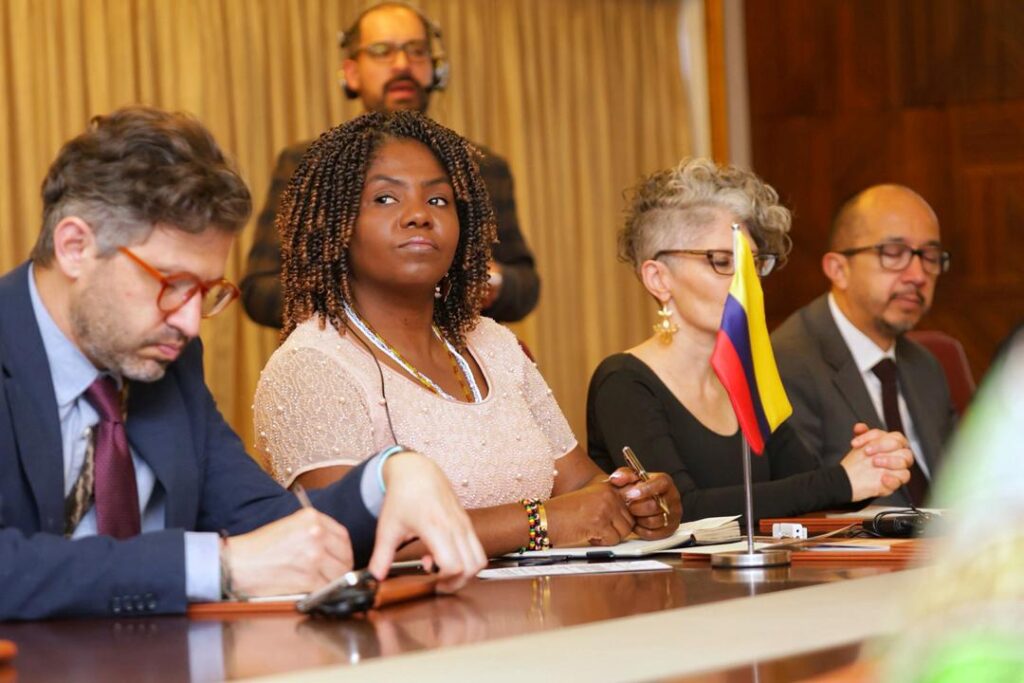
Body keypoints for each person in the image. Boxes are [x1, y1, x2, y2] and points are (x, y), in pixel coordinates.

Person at [0, 106, 484, 621]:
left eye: (206, 291)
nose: (190, 323)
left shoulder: (168, 359)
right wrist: (218, 566)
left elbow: (267, 522)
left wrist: (390, 476)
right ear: (75, 247)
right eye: (172, 284)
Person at [254, 110, 681, 556]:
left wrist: (631, 500)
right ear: (334, 226)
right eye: (385, 198)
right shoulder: (311, 366)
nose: (418, 215)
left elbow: (580, 483)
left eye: (439, 200)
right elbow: (345, 538)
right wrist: (540, 522)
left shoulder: (494, 344)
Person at [587, 159, 914, 523]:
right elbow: (680, 510)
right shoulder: (623, 382)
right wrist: (842, 481)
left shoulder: (745, 375)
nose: (749, 283)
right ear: (658, 279)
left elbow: (807, 488)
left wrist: (870, 469)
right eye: (721, 261)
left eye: (753, 264)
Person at [241, 1, 539, 328]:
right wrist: (372, 293)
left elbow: (525, 286)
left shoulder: (481, 167)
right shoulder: (308, 164)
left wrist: (490, 282)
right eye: (382, 51)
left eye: (417, 51)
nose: (402, 64)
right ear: (351, 73)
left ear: (437, 70)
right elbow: (260, 291)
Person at [771, 184, 957, 507]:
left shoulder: (925, 365)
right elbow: (799, 505)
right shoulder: (786, 363)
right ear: (838, 270)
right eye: (893, 253)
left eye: (929, 256)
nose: (918, 275)